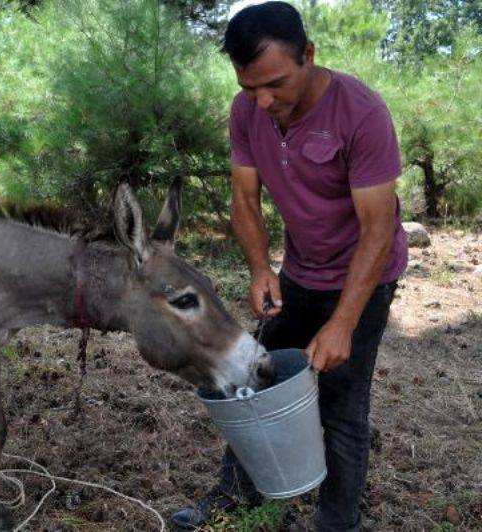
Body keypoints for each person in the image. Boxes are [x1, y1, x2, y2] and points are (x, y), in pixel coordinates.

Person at [171, 2, 407, 530]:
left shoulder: (361, 114)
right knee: (254, 379)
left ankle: (337, 521)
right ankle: (237, 497)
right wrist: (260, 269)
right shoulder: (247, 110)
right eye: (249, 86)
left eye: (275, 83)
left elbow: (378, 228)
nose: (263, 100)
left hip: (364, 277)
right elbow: (245, 200)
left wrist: (343, 321)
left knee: (341, 405)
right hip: (301, 270)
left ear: (309, 55)